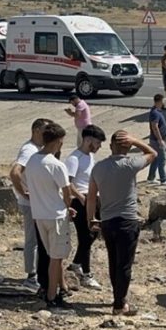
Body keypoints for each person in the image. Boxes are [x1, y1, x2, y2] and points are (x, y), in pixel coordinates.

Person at [88, 131, 156, 315]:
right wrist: (136, 140)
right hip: (127, 220)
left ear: (111, 146)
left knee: (113, 260)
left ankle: (118, 298)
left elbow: (92, 197)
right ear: (129, 148)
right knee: (124, 264)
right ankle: (119, 304)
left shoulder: (98, 168)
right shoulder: (130, 164)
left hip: (108, 221)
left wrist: (91, 219)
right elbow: (152, 153)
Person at [25, 121, 76, 308]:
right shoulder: (56, 165)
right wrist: (67, 206)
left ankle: (59, 288)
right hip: (56, 216)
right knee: (56, 258)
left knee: (53, 255)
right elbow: (67, 193)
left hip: (39, 215)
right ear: (57, 142)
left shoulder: (32, 161)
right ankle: (52, 295)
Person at [10, 119, 51, 289]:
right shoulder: (29, 150)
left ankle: (37, 274)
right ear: (35, 131)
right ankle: (31, 276)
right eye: (44, 132)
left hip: (36, 202)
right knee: (32, 240)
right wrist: (24, 193)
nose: (47, 135)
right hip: (30, 204)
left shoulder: (38, 149)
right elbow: (14, 172)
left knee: (40, 239)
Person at [64, 124, 105, 291]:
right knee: (85, 236)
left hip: (92, 198)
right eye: (97, 143)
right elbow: (68, 182)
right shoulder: (74, 158)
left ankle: (76, 264)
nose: (99, 147)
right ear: (88, 140)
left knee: (93, 233)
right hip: (79, 201)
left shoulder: (90, 157)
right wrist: (81, 198)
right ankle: (86, 274)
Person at [146, 94, 166, 186]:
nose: (164, 103)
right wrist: (160, 139)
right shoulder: (155, 113)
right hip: (157, 140)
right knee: (162, 159)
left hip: (156, 140)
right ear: (159, 101)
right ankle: (163, 179)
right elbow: (155, 126)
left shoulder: (157, 111)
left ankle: (151, 177)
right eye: (163, 101)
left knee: (156, 159)